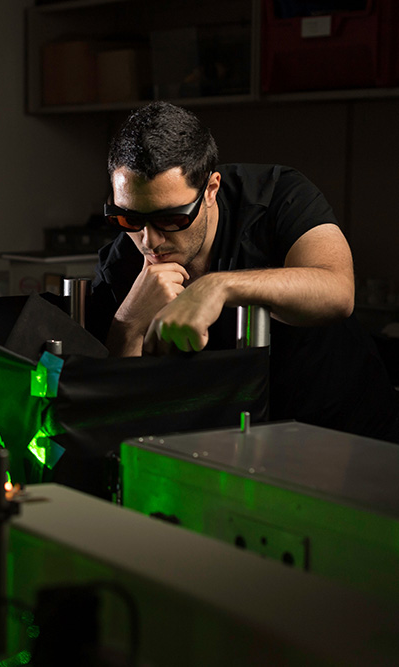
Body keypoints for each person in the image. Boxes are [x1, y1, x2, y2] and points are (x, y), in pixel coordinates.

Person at [90, 101, 399, 443]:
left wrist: (216, 287)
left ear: (210, 190)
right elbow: (114, 415)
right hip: (222, 447)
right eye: (129, 219)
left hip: (344, 432)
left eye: (171, 218)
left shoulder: (278, 196)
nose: (149, 240)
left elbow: (338, 292)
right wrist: (128, 324)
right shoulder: (121, 262)